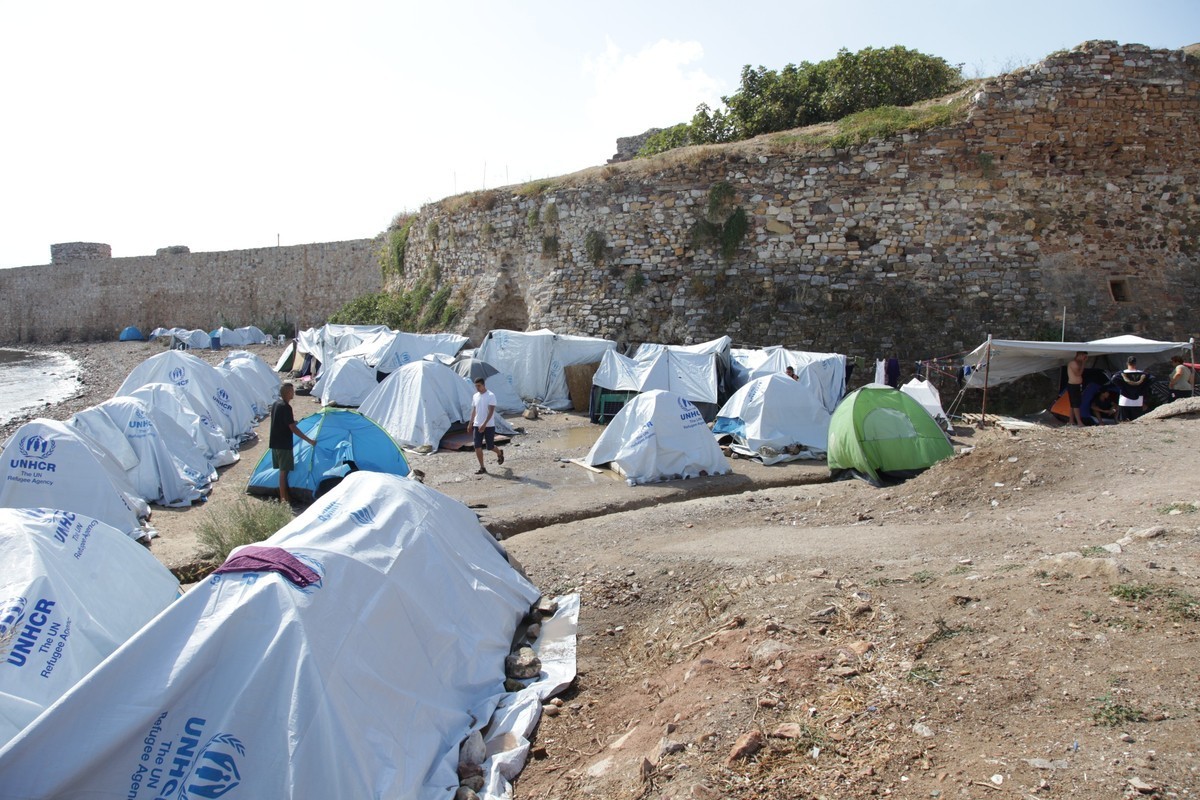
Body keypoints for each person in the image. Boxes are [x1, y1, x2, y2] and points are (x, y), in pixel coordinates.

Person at [270, 382, 316, 503]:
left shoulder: (276, 404)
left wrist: (293, 422)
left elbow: (282, 421)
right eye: (291, 391)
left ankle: (285, 496)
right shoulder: (286, 407)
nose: (293, 392)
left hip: (274, 443)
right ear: (287, 392)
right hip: (283, 444)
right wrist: (309, 440)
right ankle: (283, 499)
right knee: (283, 473)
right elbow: (293, 429)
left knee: (282, 471)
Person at [469, 377, 505, 475]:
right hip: (477, 424)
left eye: (479, 386)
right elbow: (474, 410)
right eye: (476, 386)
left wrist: (484, 424)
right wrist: (470, 423)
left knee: (490, 446)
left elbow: (491, 411)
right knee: (477, 446)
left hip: (488, 425)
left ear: (484, 385)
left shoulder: (490, 395)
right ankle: (482, 467)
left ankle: (499, 453)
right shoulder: (475, 396)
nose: (477, 388)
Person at [1115, 356, 1149, 422]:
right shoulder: (1143, 374)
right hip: (1138, 401)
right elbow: (1151, 380)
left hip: (1124, 401)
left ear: (1127, 363)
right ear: (1135, 363)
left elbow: (1114, 380)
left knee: (1124, 422)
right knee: (1136, 422)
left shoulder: (1121, 374)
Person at [1065, 351, 1086, 426]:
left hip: (1077, 385)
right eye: (1084, 356)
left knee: (1073, 404)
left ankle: (1071, 420)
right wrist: (1083, 364)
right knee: (1075, 404)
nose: (1085, 358)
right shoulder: (1073, 363)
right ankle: (1079, 422)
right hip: (1073, 385)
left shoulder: (1078, 363)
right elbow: (1078, 374)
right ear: (1080, 355)